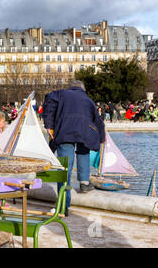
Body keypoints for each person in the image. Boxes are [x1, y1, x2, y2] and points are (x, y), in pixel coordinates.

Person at [42, 80, 105, 216]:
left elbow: (48, 104)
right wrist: (101, 138)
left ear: (70, 88)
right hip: (85, 131)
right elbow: (98, 121)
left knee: (65, 167)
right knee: (83, 151)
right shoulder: (88, 100)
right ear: (83, 90)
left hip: (65, 131)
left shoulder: (60, 94)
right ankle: (84, 183)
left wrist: (49, 125)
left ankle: (64, 204)